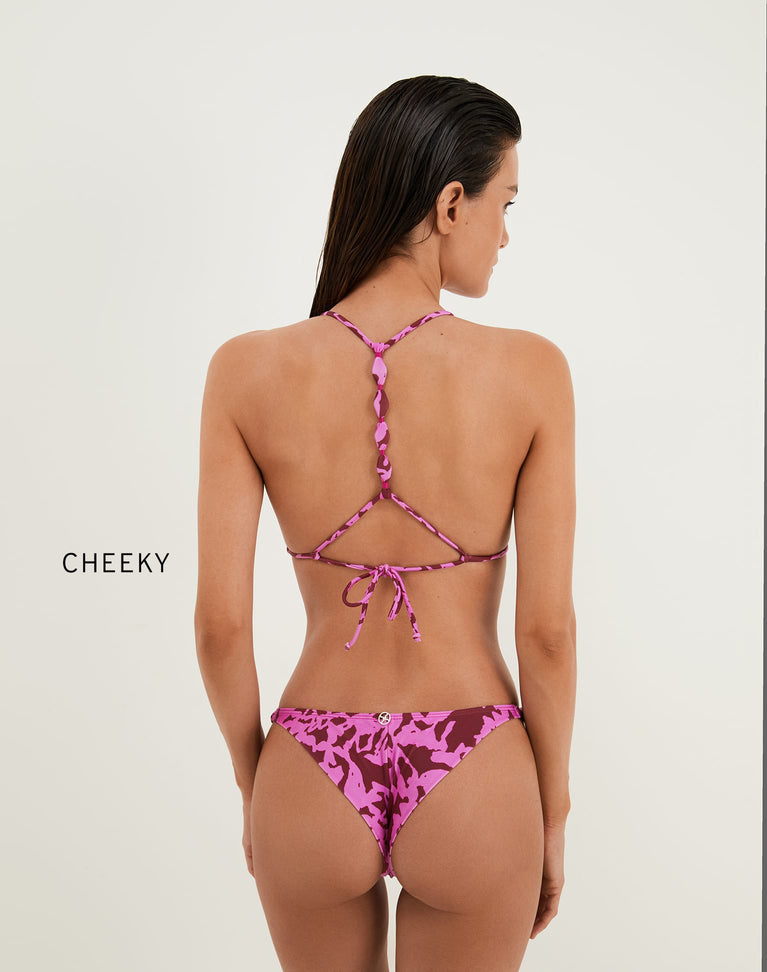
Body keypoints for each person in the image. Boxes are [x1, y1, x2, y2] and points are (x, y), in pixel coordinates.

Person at [195, 75, 576, 972]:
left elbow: (219, 628)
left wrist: (257, 784)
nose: (505, 234)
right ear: (450, 204)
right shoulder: (530, 372)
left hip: (311, 753)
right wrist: (551, 812)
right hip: (473, 758)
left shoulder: (245, 371)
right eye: (504, 204)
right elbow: (546, 634)